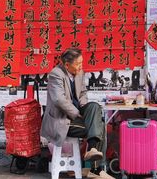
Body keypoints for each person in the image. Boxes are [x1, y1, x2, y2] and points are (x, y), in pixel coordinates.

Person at [41, 48, 113, 179]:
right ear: (66, 65)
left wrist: (84, 107)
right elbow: (59, 100)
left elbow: (83, 93)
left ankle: (92, 151)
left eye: (81, 63)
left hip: (77, 114)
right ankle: (96, 169)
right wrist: (77, 113)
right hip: (61, 120)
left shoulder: (79, 73)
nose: (81, 67)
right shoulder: (55, 74)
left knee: (94, 107)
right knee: (100, 125)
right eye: (78, 64)